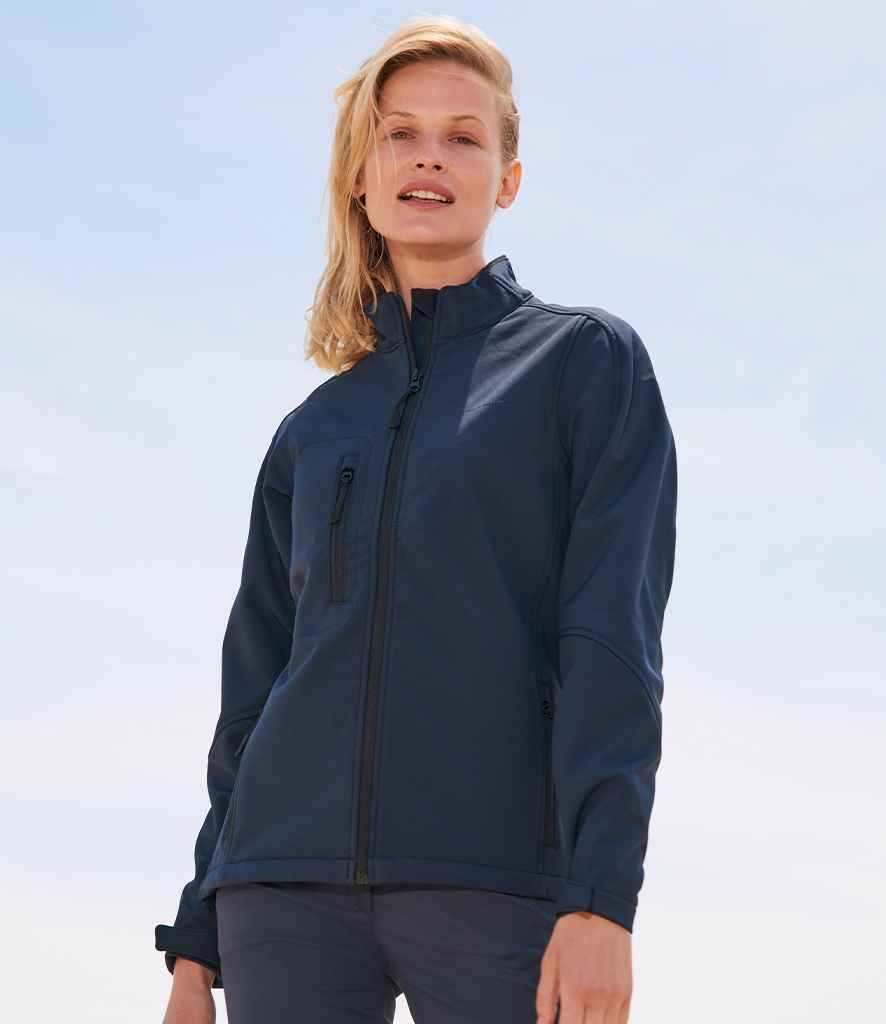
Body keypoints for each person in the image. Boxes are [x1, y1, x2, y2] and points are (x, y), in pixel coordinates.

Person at [155, 14, 677, 1024]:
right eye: (400, 133)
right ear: (362, 174)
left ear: (506, 181)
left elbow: (613, 641)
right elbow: (253, 691)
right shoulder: (312, 429)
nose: (429, 155)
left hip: (495, 876)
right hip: (279, 887)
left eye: (462, 136)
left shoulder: (584, 364)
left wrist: (602, 897)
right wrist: (196, 938)